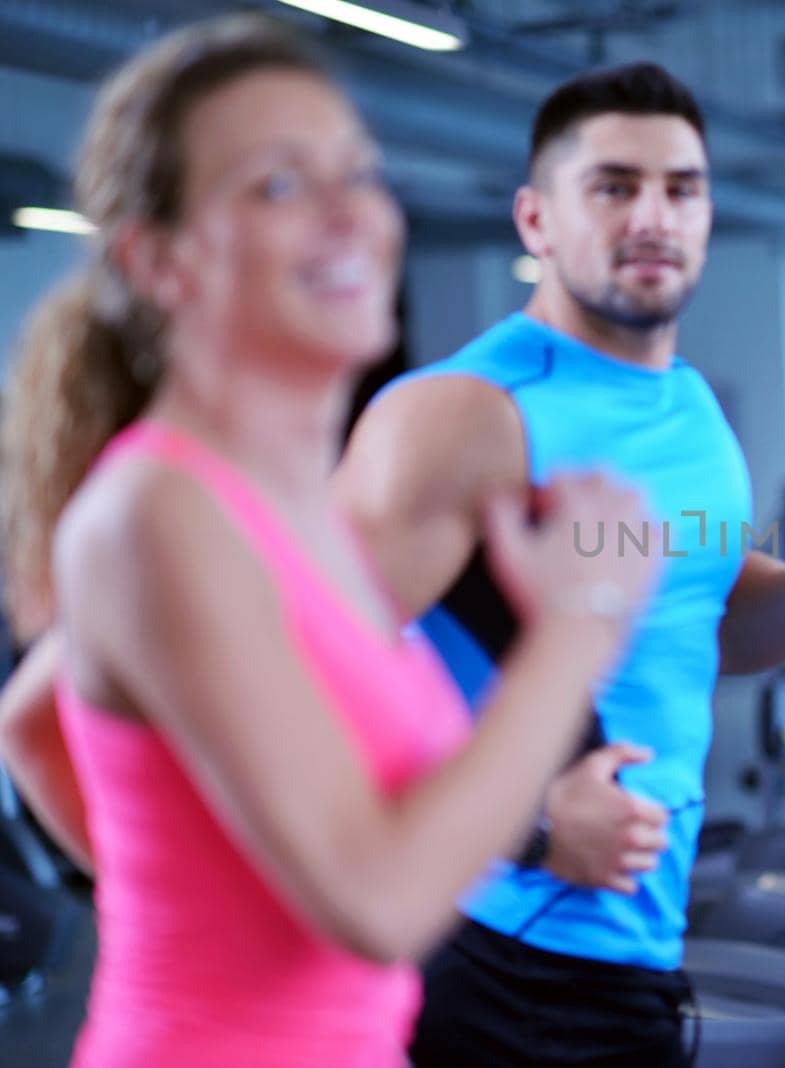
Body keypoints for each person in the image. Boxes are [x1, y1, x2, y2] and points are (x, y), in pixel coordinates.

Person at [0, 16, 653, 1065]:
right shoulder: (155, 513)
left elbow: (31, 723)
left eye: (359, 173)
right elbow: (381, 901)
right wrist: (578, 622)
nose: (351, 214)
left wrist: (200, 886)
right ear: (158, 261)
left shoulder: (285, 508)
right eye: (278, 186)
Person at [329, 63, 785, 1066]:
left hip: (633, 938)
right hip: (494, 951)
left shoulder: (688, 406)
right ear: (536, 220)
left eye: (680, 189)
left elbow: (712, 619)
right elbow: (297, 692)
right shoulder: (463, 418)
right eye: (613, 186)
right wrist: (523, 826)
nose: (653, 216)